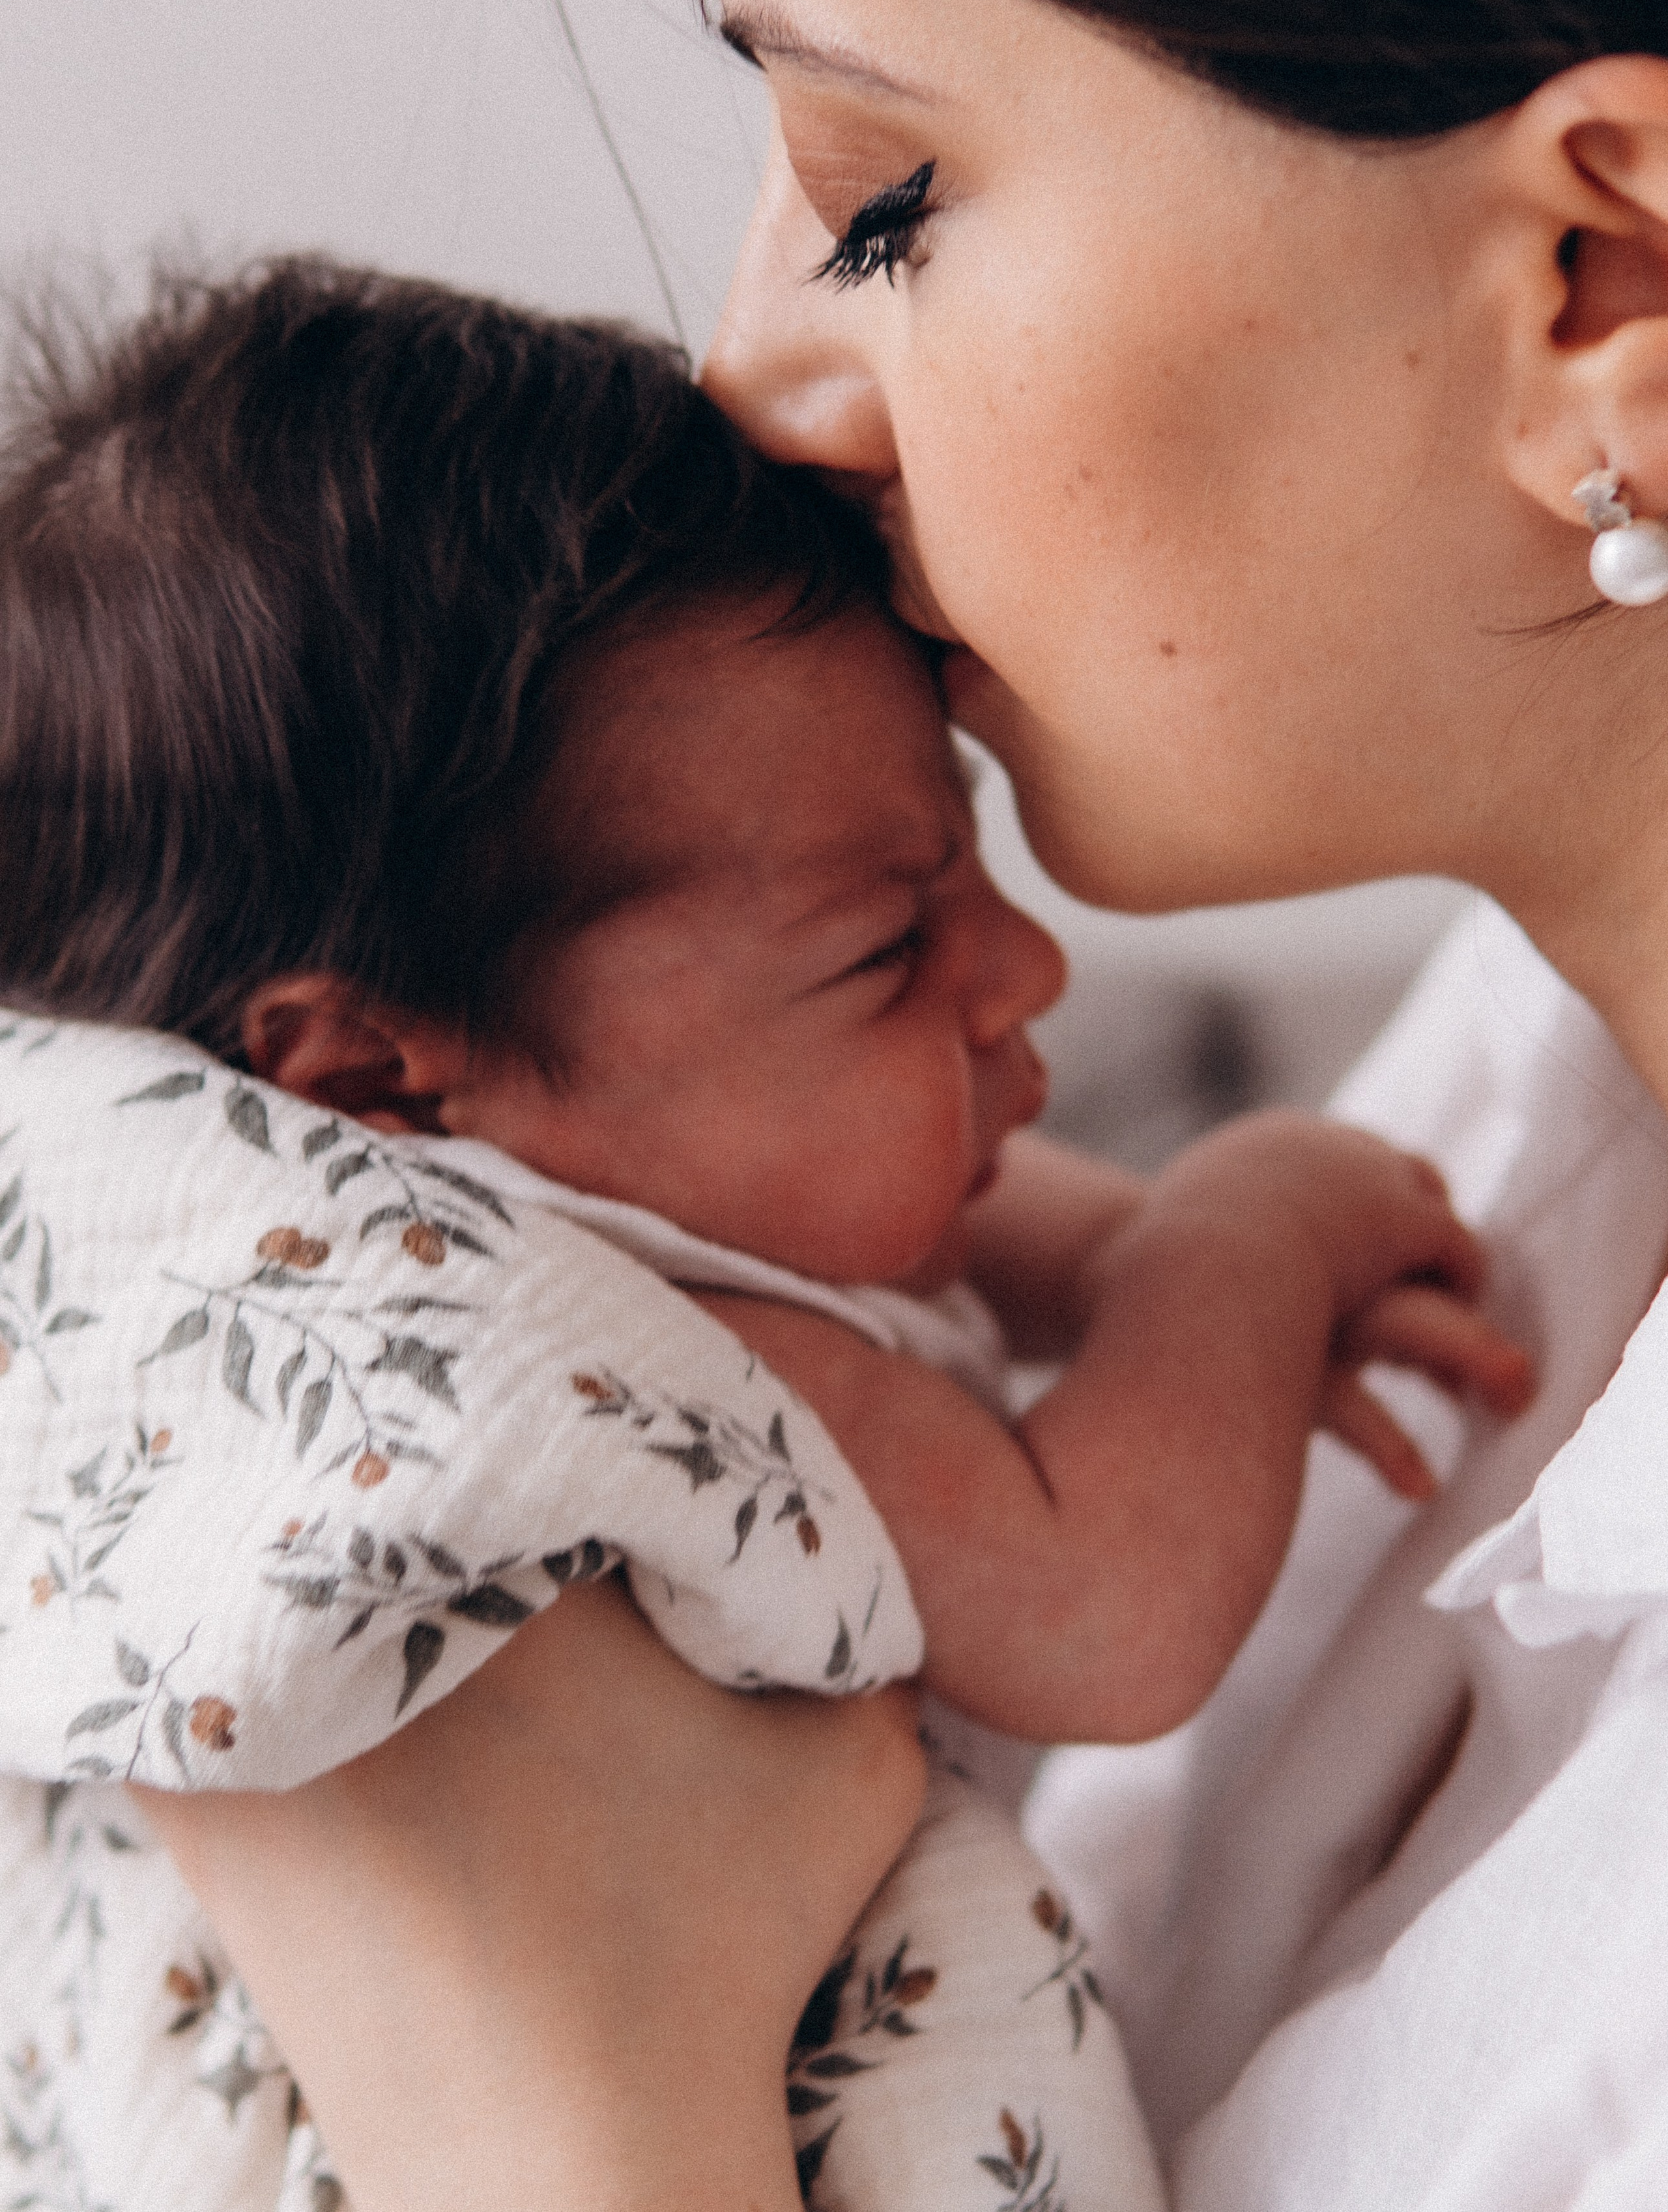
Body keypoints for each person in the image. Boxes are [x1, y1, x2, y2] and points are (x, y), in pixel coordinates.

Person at [131, 0, 1668, 2207]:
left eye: (876, 193)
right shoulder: (1560, 1039)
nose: (752, 372)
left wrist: (549, 2121)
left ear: (1605, 278)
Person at [0, 256, 1527, 2211]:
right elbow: (1107, 1608)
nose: (1031, 966)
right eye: (891, 946)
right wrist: (1244, 1229)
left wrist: (1122, 1245)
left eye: (963, 852)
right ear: (372, 1078)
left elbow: (958, 1234)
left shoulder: (537, 1184)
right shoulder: (587, 1375)